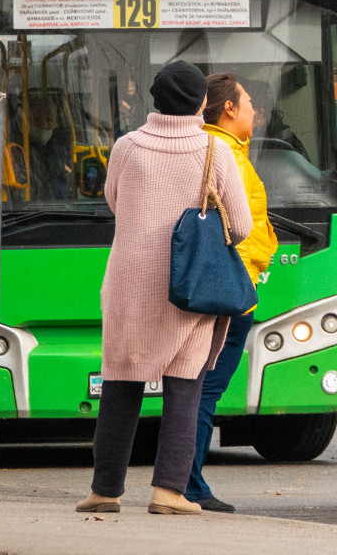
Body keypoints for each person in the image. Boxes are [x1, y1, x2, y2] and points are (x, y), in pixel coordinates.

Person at [77, 61, 252, 516]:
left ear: (153, 100)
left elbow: (116, 203)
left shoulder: (126, 148)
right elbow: (242, 225)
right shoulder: (214, 151)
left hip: (128, 282)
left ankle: (105, 490)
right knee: (185, 383)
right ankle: (168, 492)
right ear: (200, 103)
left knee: (119, 382)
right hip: (188, 285)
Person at [184, 74, 278, 512]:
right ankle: (190, 483)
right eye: (249, 102)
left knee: (200, 387)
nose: (255, 110)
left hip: (223, 283)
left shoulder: (218, 149)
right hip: (230, 288)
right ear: (229, 110)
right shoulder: (224, 154)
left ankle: (185, 479)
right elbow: (242, 227)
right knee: (205, 389)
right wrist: (253, 271)